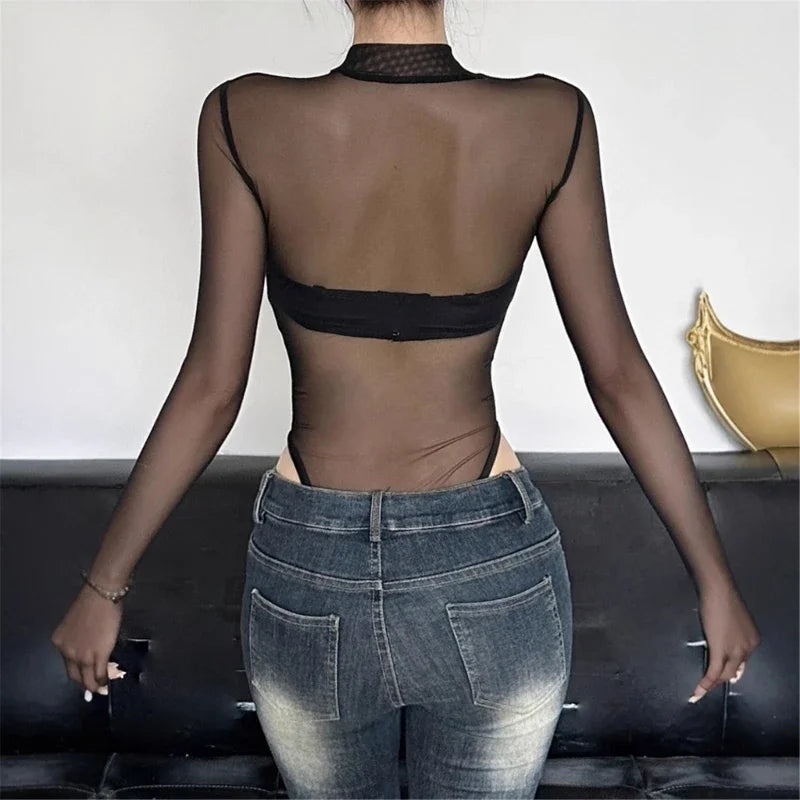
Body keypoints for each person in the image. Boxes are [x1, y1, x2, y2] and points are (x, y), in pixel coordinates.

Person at [51, 0, 761, 796]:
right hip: (489, 566)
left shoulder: (241, 117)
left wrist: (103, 586)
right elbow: (618, 374)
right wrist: (714, 580)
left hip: (310, 566)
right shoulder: (552, 118)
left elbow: (213, 386)